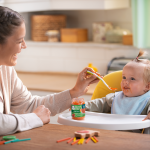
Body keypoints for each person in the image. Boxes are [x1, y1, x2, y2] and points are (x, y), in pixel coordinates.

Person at [0, 6, 99, 136]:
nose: (24, 45)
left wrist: (75, 92)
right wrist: (35, 118)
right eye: (19, 41)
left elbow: (29, 105)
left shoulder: (6, 69)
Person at [85, 50, 150, 123]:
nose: (125, 81)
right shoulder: (115, 98)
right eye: (124, 77)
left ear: (147, 86)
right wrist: (82, 106)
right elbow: (98, 104)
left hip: (138, 135)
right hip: (113, 133)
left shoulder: (147, 100)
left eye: (132, 79)